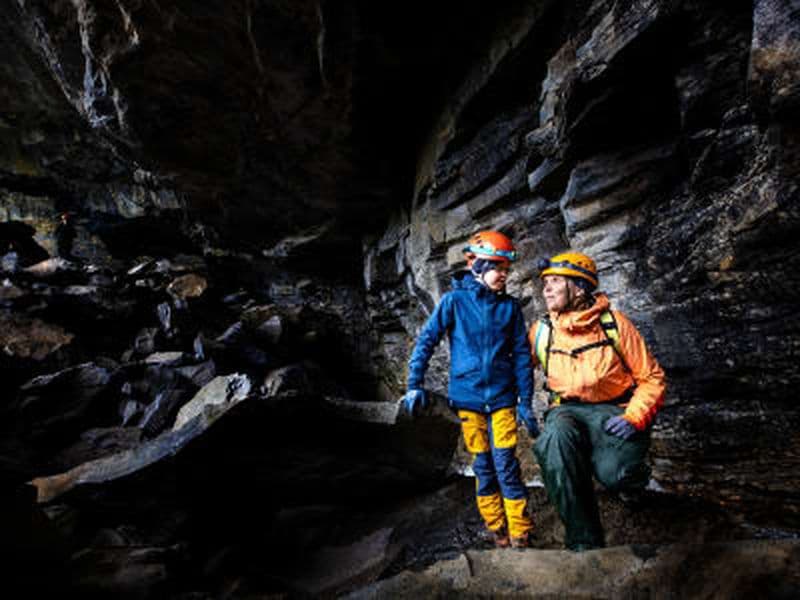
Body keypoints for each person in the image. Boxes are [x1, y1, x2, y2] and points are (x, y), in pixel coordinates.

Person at [403, 230, 538, 549]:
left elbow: (521, 355)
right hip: (468, 401)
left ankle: (520, 532)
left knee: (505, 463)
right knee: (482, 465)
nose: (503, 275)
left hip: (503, 399)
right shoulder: (454, 302)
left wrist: (526, 402)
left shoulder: (510, 308)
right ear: (476, 264)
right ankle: (497, 531)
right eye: (497, 268)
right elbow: (427, 341)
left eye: (506, 270)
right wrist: (413, 384)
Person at [529, 251, 666, 551]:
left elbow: (651, 377)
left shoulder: (614, 324)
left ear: (579, 288)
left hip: (614, 409)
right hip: (566, 410)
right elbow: (515, 369)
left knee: (615, 473)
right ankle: (585, 543)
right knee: (553, 445)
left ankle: (632, 483)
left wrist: (634, 417)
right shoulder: (542, 331)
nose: (546, 289)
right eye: (545, 283)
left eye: (554, 282)